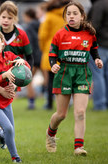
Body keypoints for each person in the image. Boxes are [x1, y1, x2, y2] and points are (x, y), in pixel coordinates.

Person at [45, 1, 103, 156]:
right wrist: (53, 65)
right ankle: (50, 134)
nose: (71, 16)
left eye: (74, 13)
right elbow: (52, 54)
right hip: (64, 73)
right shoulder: (60, 34)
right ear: (65, 17)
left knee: (80, 112)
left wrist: (97, 60)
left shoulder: (89, 33)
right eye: (68, 14)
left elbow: (94, 51)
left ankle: (78, 147)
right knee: (61, 114)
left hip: (82, 73)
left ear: (82, 16)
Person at [0, 28, 30, 163]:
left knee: (10, 131)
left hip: (7, 100)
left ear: (2, 43)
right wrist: (5, 75)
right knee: (9, 128)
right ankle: (15, 157)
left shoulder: (9, 55)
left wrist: (22, 62)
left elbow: (26, 70)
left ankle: (0, 135)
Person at [0, 0, 33, 148]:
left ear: (15, 18)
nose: (6, 20)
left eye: (10, 17)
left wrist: (29, 74)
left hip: (14, 78)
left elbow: (30, 57)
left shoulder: (21, 34)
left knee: (5, 103)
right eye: (3, 17)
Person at [38, 0, 70, 110]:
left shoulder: (49, 16)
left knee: (51, 79)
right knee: (65, 78)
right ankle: (66, 103)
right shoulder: (67, 16)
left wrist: (43, 48)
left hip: (50, 49)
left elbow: (43, 35)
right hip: (66, 49)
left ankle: (49, 103)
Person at [88, 0, 108, 110]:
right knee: (106, 75)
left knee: (98, 75)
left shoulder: (99, 5)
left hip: (99, 45)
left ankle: (100, 104)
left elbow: (94, 26)